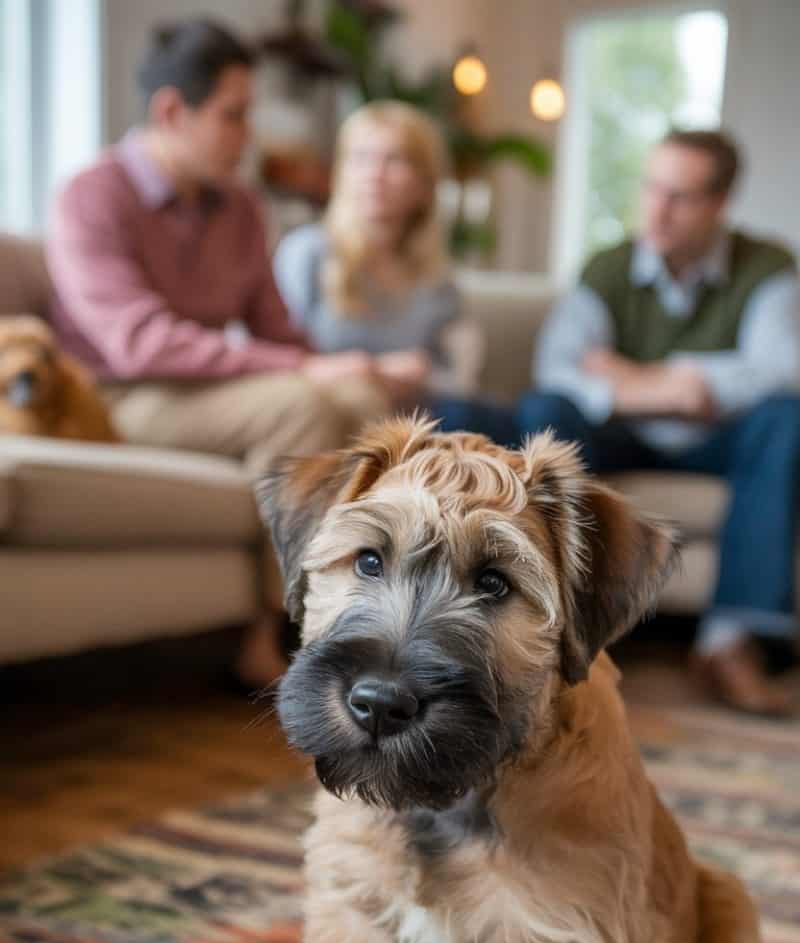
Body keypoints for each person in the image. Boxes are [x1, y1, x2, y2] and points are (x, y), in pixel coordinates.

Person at [47, 20, 389, 686]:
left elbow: (277, 330)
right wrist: (302, 371)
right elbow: (137, 341)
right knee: (294, 409)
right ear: (172, 111)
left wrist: (343, 368)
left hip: (204, 393)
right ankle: (283, 628)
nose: (248, 135)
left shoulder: (239, 208)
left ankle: (372, 618)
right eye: (233, 116)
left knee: (362, 402)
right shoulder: (92, 196)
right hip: (114, 396)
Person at [522, 129, 800, 717]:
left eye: (680, 196)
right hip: (624, 430)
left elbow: (781, 370)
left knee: (786, 419)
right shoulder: (608, 267)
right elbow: (558, 365)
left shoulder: (768, 267)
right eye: (651, 187)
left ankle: (728, 645)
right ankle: (550, 623)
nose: (657, 208)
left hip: (721, 438)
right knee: (544, 412)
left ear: (719, 205)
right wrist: (665, 390)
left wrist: (643, 374)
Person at [273, 100, 513, 444]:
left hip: (418, 427)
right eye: (361, 158)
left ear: (423, 185)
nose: (375, 174)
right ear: (342, 172)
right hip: (331, 415)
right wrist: (379, 371)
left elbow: (457, 381)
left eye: (395, 160)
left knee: (490, 419)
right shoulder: (307, 253)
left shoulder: (438, 282)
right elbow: (274, 357)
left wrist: (423, 377)